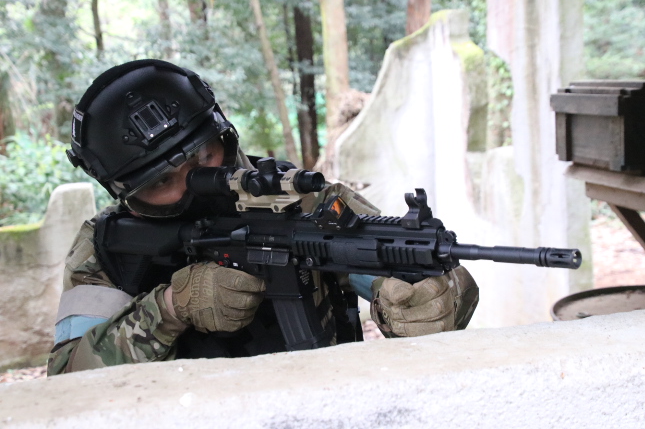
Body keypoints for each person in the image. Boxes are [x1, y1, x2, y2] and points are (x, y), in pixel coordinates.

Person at [48, 60, 479, 375]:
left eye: (203, 157)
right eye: (162, 182)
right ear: (126, 195)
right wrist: (169, 308)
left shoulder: (303, 201)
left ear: (224, 134)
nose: (194, 184)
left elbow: (407, 265)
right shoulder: (104, 248)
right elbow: (68, 380)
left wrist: (434, 301)